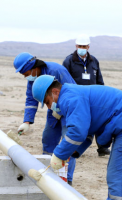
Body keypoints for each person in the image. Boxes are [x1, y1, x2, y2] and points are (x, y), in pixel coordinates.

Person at [13, 52, 77, 185]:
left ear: (33, 67)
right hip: (52, 110)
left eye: (26, 74)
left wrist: (61, 109)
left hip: (68, 111)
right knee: (48, 139)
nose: (26, 77)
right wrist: (27, 121)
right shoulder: (33, 78)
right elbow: (31, 99)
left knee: (68, 142)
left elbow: (73, 92)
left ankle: (67, 179)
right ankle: (50, 174)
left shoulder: (56, 71)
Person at [62, 34, 110, 157]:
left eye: (84, 46)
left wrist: (102, 94)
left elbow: (99, 79)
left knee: (98, 120)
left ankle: (102, 147)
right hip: (77, 98)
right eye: (80, 46)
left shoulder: (94, 61)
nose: (82, 48)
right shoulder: (69, 61)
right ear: (76, 46)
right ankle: (73, 147)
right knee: (78, 122)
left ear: (88, 47)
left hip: (93, 96)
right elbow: (64, 81)